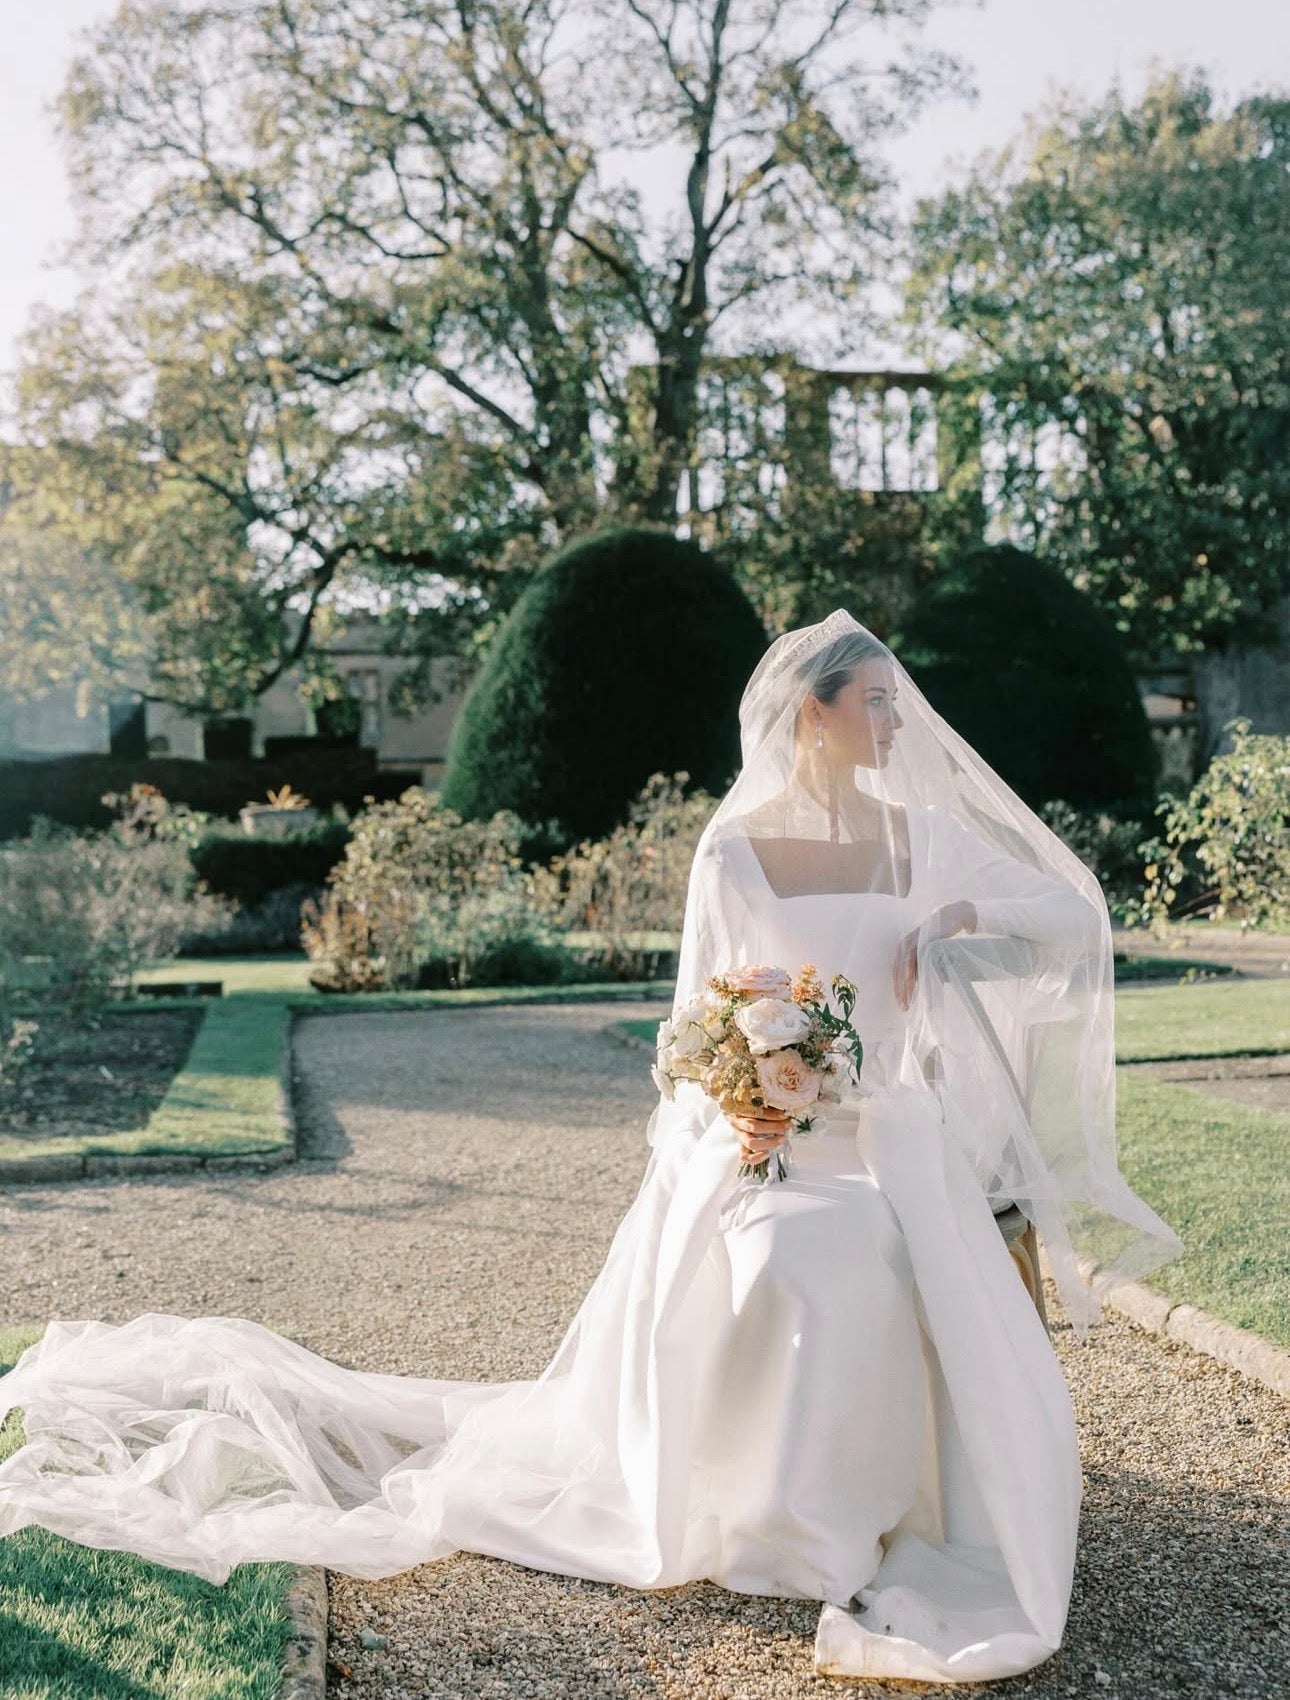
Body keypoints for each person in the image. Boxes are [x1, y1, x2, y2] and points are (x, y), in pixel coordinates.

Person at [0, 610, 1181, 1684]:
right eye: (873, 699)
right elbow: (690, 1025)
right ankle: (786, 1519)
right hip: (770, 1135)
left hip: (897, 1136)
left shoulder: (921, 837)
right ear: (811, 712)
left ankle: (908, 1505)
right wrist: (741, 1096)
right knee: (800, 1257)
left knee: (884, 1243)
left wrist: (961, 912)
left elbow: (1073, 910)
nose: (894, 718)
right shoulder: (737, 850)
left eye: (892, 698)